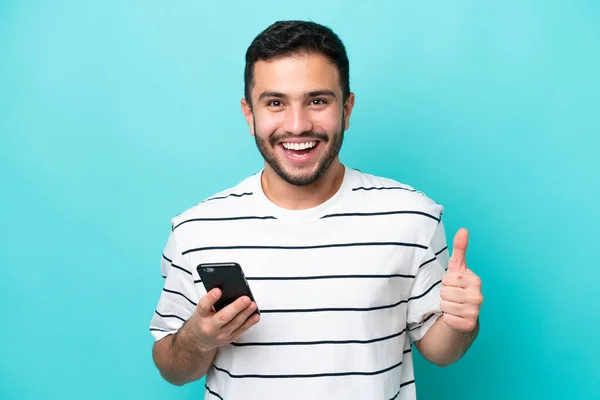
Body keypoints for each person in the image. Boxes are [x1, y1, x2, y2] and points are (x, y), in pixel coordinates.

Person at [149, 20, 484, 400]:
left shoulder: (412, 216)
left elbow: (439, 351)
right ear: (249, 114)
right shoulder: (196, 229)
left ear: (347, 108)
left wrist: (459, 325)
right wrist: (197, 338)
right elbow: (172, 368)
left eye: (317, 101)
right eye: (275, 103)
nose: (297, 125)